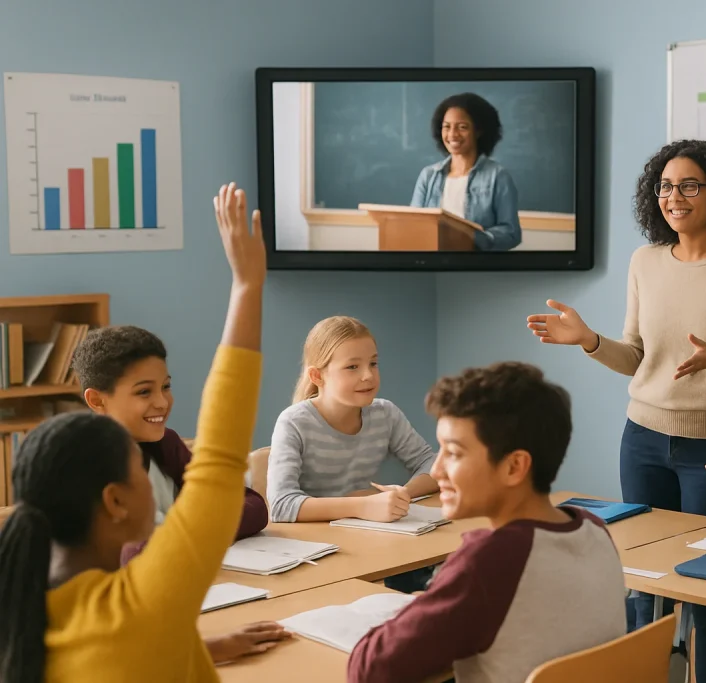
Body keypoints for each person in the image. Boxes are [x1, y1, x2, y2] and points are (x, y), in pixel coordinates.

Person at [0, 183, 290, 682]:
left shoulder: (26, 615)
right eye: (137, 473)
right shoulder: (144, 600)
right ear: (114, 502)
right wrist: (247, 285)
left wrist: (202, 645)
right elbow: (220, 461)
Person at [526, 139, 706, 683]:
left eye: (690, 185)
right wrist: (588, 339)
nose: (675, 196)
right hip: (643, 439)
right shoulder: (644, 261)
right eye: (666, 186)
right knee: (644, 581)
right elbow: (637, 359)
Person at [347, 361, 626, 683]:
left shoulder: (489, 561)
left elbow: (370, 670)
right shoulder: (592, 527)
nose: (436, 471)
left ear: (514, 467)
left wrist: (421, 609)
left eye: (453, 453)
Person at [69, 325, 269, 563]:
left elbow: (253, 506)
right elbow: (128, 553)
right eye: (144, 392)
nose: (162, 402)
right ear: (97, 400)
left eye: (165, 387)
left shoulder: (165, 444)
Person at [266, 315, 438, 525]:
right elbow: (281, 505)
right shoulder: (293, 423)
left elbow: (433, 464)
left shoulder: (385, 413)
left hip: (367, 534)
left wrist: (401, 495)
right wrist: (362, 505)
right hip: (315, 541)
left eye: (373, 363)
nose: (368, 375)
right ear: (317, 377)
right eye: (352, 367)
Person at [411, 92, 522, 251]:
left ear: (479, 131)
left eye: (462, 127)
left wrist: (473, 237)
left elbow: (511, 233)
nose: (452, 135)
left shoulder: (498, 176)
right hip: (432, 262)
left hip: (476, 266)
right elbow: (413, 224)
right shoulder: (428, 176)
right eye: (446, 127)